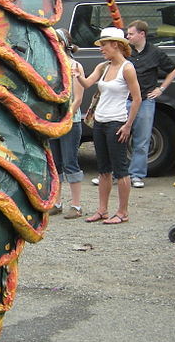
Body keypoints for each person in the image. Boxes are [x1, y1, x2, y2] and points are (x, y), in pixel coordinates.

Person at [75, 27, 141, 225]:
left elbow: (137, 98)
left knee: (120, 168)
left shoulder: (127, 68)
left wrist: (128, 125)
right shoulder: (103, 67)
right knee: (103, 169)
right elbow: (87, 84)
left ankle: (123, 212)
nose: (101, 49)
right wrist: (77, 74)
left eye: (103, 45)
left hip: (116, 122)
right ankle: (102, 210)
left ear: (116, 45)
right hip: (100, 121)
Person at [124, 20, 175, 188]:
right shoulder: (126, 51)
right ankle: (117, 173)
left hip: (146, 100)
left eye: (131, 34)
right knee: (119, 136)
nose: (128, 37)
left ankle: (137, 175)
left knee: (142, 139)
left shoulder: (155, 52)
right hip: (126, 100)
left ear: (142, 34)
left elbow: (173, 70)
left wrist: (161, 89)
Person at [47, 28, 85, 219]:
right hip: (54, 121)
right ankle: (57, 202)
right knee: (55, 163)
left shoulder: (74, 65)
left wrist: (67, 114)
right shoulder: (52, 66)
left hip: (70, 121)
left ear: (62, 43)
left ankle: (76, 205)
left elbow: (78, 98)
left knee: (70, 162)